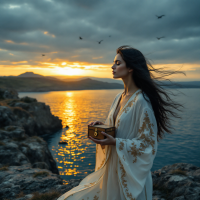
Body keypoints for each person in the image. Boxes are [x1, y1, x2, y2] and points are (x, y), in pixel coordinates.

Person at [57, 45, 185, 200]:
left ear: (130, 68)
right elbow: (120, 128)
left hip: (128, 175)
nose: (112, 66)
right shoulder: (119, 97)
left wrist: (115, 142)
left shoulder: (142, 101)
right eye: (114, 63)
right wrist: (103, 126)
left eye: (118, 63)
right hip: (112, 169)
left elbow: (148, 144)